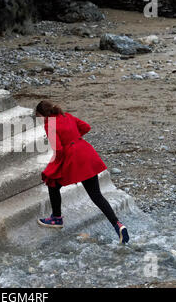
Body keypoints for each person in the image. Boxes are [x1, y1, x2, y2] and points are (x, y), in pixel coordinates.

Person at [35, 100, 129, 244]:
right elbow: (86, 127)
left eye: (39, 117)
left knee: (51, 181)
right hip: (87, 152)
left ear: (43, 115)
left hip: (75, 158)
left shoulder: (50, 125)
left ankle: (57, 218)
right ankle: (118, 225)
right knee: (96, 195)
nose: (39, 120)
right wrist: (73, 139)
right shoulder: (67, 116)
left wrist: (57, 162)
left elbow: (58, 150)